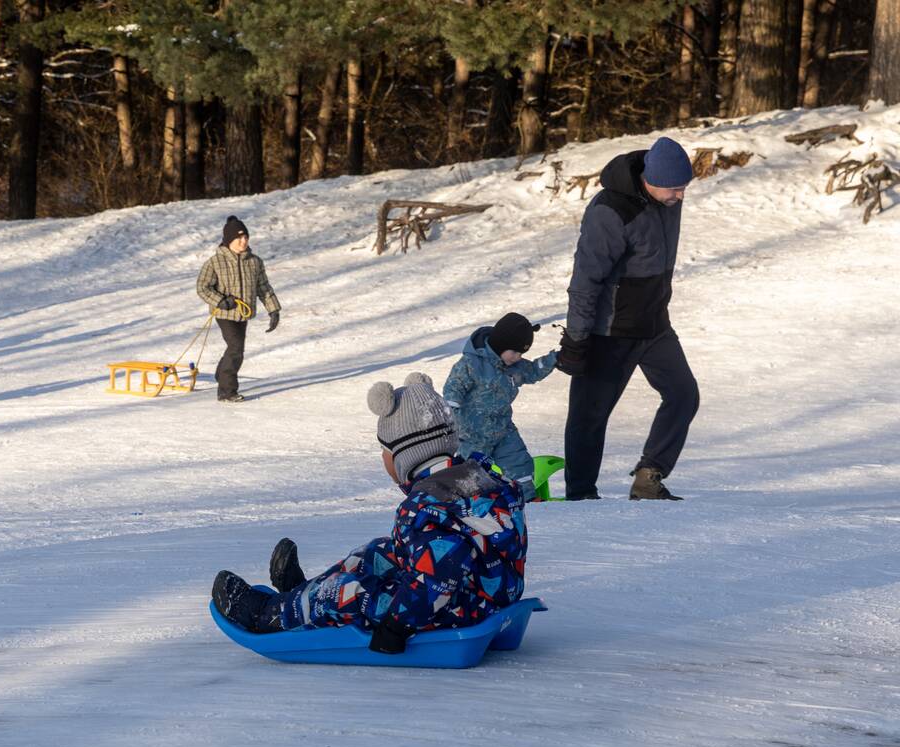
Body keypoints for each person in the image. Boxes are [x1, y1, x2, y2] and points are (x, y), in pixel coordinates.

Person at [211, 373, 528, 656]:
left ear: (406, 454)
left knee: (349, 593)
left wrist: (397, 625)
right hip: (488, 593)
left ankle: (271, 614)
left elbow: (442, 569)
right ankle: (304, 592)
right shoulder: (475, 480)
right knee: (378, 552)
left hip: (453, 610)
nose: (384, 459)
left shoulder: (427, 505)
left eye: (386, 452)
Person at [557, 136, 701, 501]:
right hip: (611, 332)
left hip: (654, 326)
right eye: (674, 189)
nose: (680, 197)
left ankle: (648, 477)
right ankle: (580, 496)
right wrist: (576, 338)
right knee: (589, 417)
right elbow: (586, 278)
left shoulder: (667, 198)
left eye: (683, 188)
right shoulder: (610, 210)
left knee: (683, 395)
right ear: (650, 179)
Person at [443, 312, 557, 501]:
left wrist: (555, 358)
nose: (518, 357)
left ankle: (527, 498)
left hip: (503, 430)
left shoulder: (515, 366)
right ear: (500, 344)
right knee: (470, 473)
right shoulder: (471, 364)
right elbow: (453, 388)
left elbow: (533, 371)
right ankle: (470, 503)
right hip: (473, 435)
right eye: (515, 352)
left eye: (522, 353)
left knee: (519, 462)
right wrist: (451, 410)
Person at [195, 215, 281, 402]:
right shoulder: (215, 262)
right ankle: (227, 391)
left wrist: (273, 310)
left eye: (246, 237)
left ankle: (221, 375)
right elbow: (202, 287)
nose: (244, 241)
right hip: (225, 313)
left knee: (235, 349)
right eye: (239, 238)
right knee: (236, 349)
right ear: (229, 240)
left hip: (243, 313)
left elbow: (263, 287)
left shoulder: (255, 261)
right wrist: (220, 300)